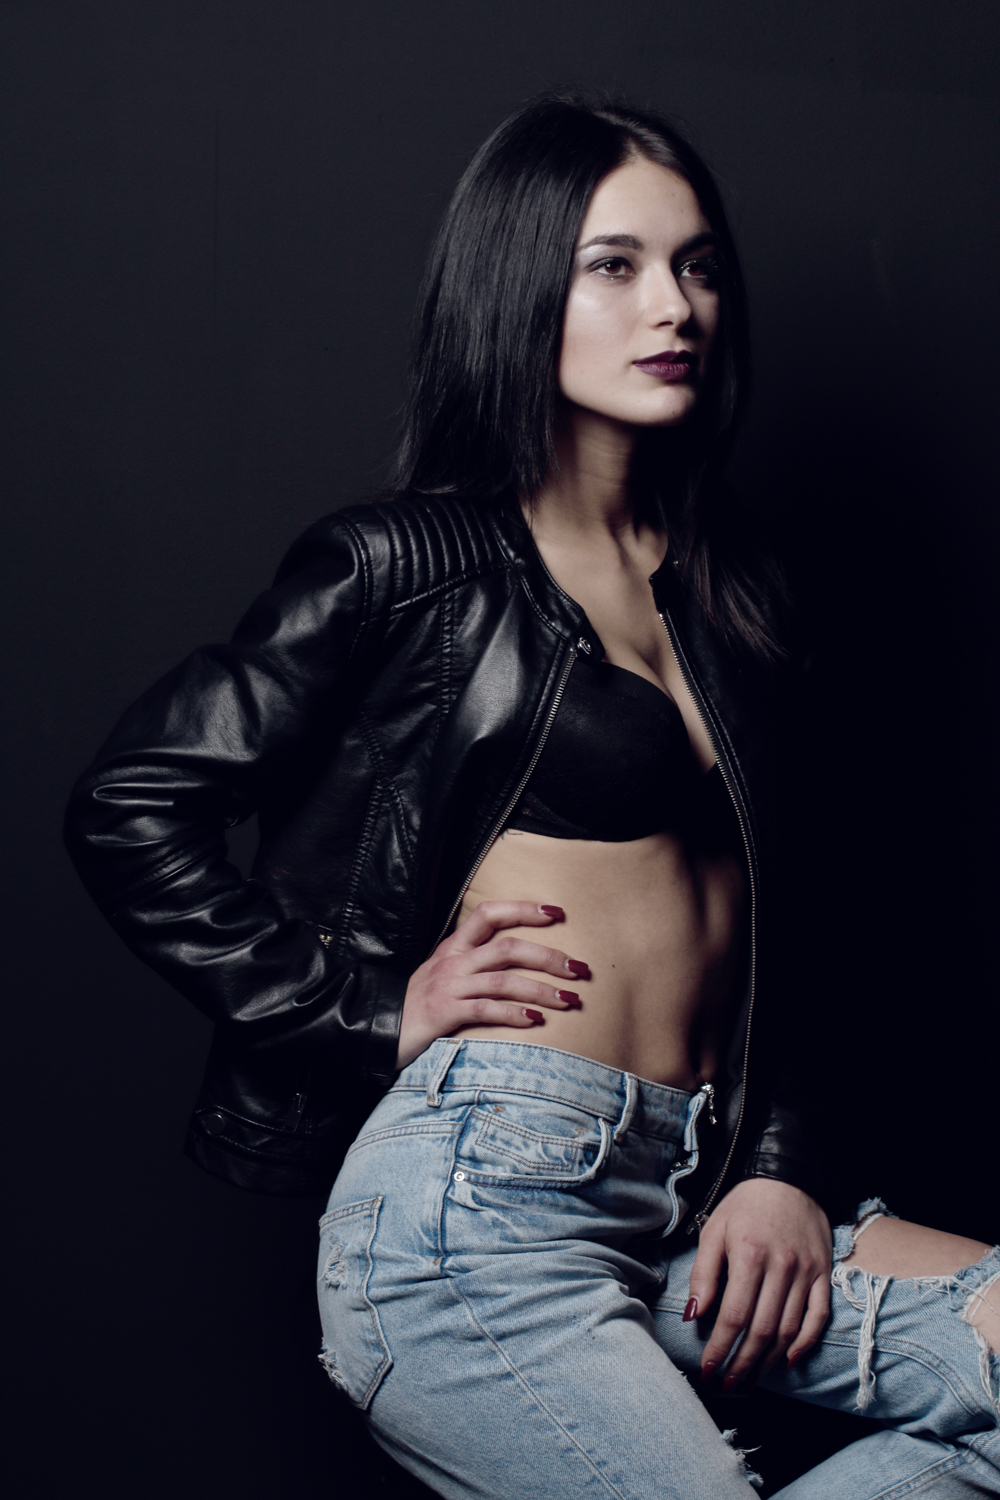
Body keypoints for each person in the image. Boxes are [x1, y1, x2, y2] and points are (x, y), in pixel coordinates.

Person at [65, 94, 1000, 1498]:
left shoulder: (741, 586)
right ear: (517, 290)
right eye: (613, 265)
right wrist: (365, 1010)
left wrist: (784, 1169)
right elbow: (130, 803)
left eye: (696, 265)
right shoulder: (406, 568)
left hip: (709, 1183)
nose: (674, 305)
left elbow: (808, 922)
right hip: (486, 1190)